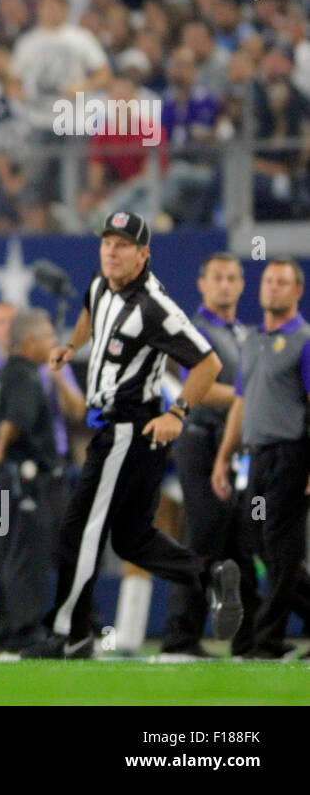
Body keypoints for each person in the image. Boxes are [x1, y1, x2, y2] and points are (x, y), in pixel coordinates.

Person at [23, 211, 239, 659]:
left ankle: (69, 635)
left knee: (79, 530)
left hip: (128, 430)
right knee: (132, 539)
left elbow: (208, 364)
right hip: (122, 435)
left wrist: (179, 411)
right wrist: (71, 345)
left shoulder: (155, 307)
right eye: (107, 242)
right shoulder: (103, 284)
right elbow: (89, 311)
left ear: (144, 255)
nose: (112, 251)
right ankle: (210, 574)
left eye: (123, 245)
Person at [159, 253, 260, 659]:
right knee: (201, 538)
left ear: (241, 285)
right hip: (200, 440)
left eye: (232, 277)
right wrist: (252, 397)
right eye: (217, 277)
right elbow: (195, 386)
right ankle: (179, 637)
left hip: (234, 445)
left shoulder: (243, 333)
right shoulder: (193, 330)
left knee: (240, 542)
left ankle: (251, 640)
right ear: (202, 284)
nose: (225, 284)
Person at [212, 259, 310, 659]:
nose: (274, 288)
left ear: (298, 291)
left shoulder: (304, 341)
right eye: (269, 281)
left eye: (283, 283)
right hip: (255, 460)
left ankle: (266, 642)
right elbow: (241, 403)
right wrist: (223, 458)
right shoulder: (251, 340)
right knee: (255, 539)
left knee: (281, 545)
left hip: (291, 456)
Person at [0, 308, 68, 652]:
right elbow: (17, 417)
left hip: (0, 479)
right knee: (26, 552)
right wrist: (1, 444)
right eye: (48, 336)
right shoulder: (26, 376)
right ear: (29, 342)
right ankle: (25, 629)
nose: (54, 343)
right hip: (23, 480)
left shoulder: (2, 375)